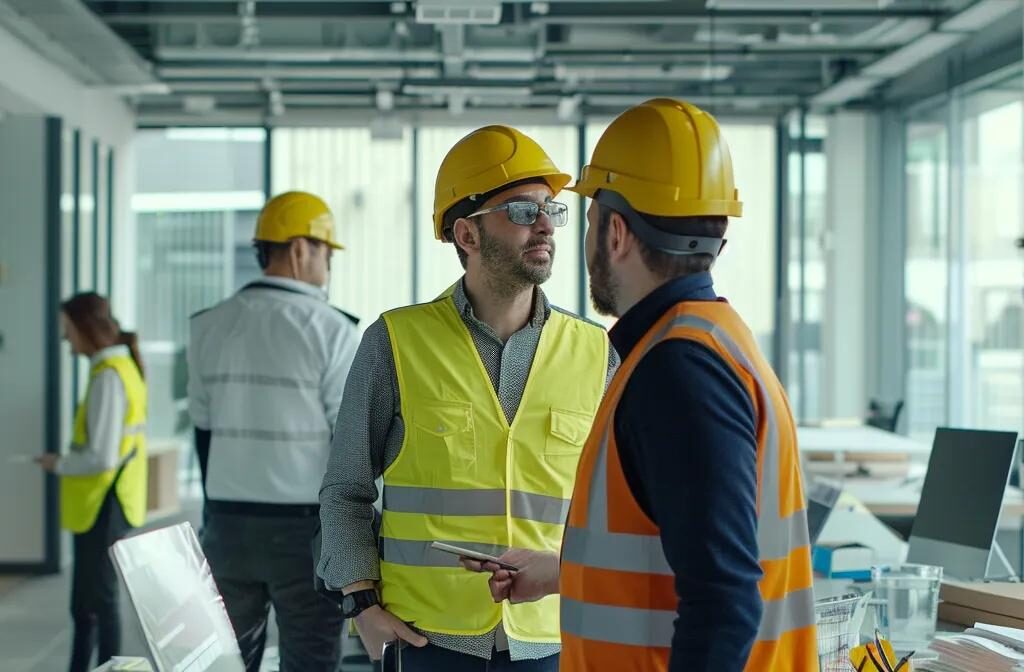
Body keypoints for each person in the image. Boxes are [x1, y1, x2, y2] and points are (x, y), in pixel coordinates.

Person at [463, 99, 819, 670]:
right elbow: (669, 554)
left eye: (585, 221)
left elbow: (723, 602)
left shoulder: (680, 372)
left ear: (618, 233)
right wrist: (562, 572)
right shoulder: (713, 340)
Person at [317, 125, 619, 672]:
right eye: (523, 212)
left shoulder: (596, 352)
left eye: (550, 209)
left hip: (554, 639)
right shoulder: (395, 342)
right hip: (428, 642)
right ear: (467, 235)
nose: (546, 225)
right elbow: (346, 489)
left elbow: (620, 506)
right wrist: (360, 605)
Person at [187, 191, 360, 672]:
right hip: (302, 532)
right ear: (301, 249)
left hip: (225, 526)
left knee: (224, 659)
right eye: (326, 253)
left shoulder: (208, 327)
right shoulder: (331, 330)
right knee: (310, 660)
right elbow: (348, 446)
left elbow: (203, 431)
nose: (327, 266)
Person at [36, 292, 148, 672]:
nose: (66, 339)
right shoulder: (119, 368)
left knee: (96, 604)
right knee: (88, 604)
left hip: (103, 501)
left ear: (85, 328)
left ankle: (105, 667)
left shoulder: (108, 377)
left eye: (67, 329)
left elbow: (101, 455)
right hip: (109, 500)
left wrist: (59, 464)